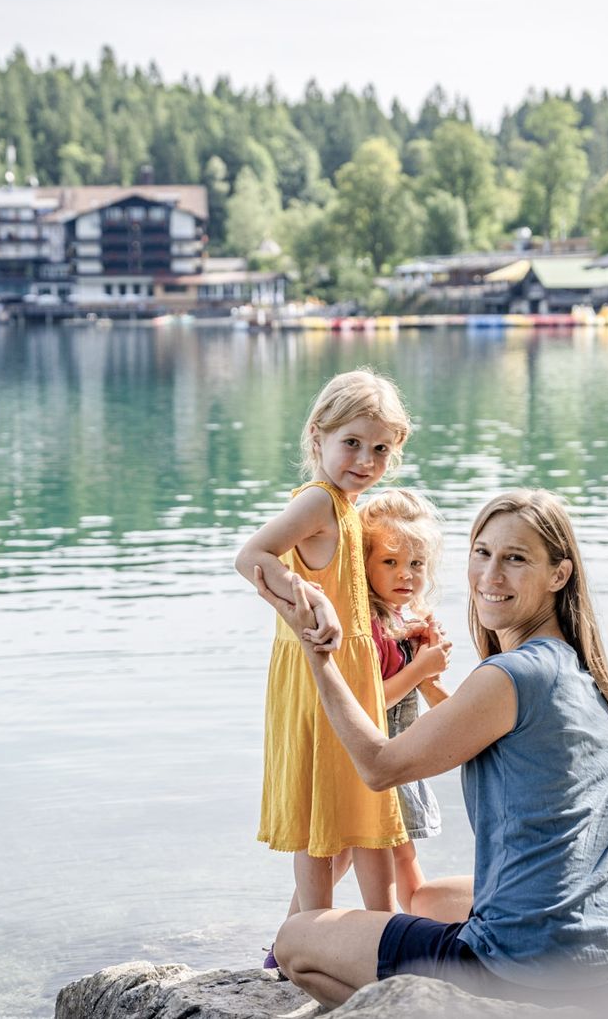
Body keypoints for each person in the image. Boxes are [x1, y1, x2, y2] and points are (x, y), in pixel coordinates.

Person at [258, 489, 608, 1007]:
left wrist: (319, 655)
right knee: (427, 899)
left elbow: (379, 766)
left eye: (515, 559)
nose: (490, 576)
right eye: (482, 553)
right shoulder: (576, 668)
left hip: (524, 970)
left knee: (297, 940)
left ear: (559, 575)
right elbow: (459, 733)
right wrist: (424, 680)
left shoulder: (511, 676)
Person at [234, 368, 414, 964]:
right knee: (326, 819)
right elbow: (251, 556)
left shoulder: (345, 509)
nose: (365, 459)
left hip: (347, 678)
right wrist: (305, 597)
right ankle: (312, 947)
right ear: (319, 437)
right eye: (352, 443)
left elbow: (351, 594)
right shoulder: (317, 501)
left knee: (363, 816)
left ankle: (366, 942)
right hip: (320, 684)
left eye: (381, 449)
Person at [361, 487, 453, 912]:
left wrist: (423, 653)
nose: (406, 575)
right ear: (363, 565)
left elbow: (423, 686)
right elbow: (370, 700)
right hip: (374, 754)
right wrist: (419, 669)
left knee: (402, 849)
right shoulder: (369, 627)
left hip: (399, 751)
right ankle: (297, 931)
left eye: (416, 564)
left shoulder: (401, 620)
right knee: (347, 853)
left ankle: (415, 919)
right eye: (390, 562)